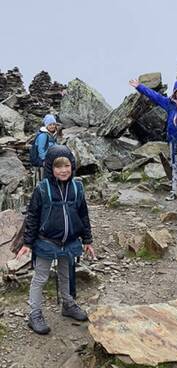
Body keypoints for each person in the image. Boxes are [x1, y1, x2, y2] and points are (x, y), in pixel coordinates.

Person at [17, 145, 95, 335]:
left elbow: (83, 214)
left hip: (69, 241)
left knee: (66, 274)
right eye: (58, 166)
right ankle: (34, 314)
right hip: (46, 242)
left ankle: (68, 304)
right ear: (50, 168)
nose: (63, 170)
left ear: (72, 166)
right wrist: (27, 243)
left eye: (67, 165)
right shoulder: (42, 189)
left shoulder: (77, 187)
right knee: (40, 277)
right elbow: (33, 216)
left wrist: (87, 239)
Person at [32, 114, 59, 182]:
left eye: (53, 124)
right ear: (46, 125)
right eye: (50, 124)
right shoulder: (43, 135)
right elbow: (41, 150)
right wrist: (44, 160)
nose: (52, 126)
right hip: (42, 160)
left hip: (50, 157)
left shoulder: (52, 134)